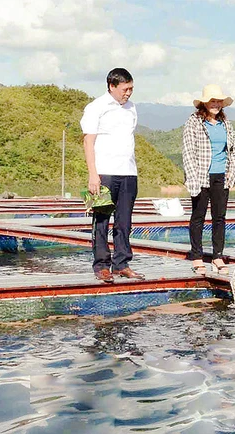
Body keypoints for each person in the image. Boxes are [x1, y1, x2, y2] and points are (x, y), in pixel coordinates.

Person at [81, 68, 144, 283]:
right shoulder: (96, 107)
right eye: (125, 89)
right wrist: (93, 175)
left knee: (124, 221)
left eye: (131, 89)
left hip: (128, 172)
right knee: (101, 220)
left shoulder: (132, 108)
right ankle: (101, 265)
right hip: (105, 173)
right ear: (112, 86)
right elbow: (88, 142)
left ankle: (122, 263)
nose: (129, 93)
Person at [182, 85, 235, 276]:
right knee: (198, 217)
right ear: (205, 103)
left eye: (218, 102)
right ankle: (197, 256)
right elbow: (188, 151)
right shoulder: (194, 122)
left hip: (221, 175)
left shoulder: (226, 123)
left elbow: (233, 151)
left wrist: (232, 174)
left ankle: (218, 256)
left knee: (219, 217)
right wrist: (192, 178)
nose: (215, 105)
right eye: (212, 101)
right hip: (200, 175)